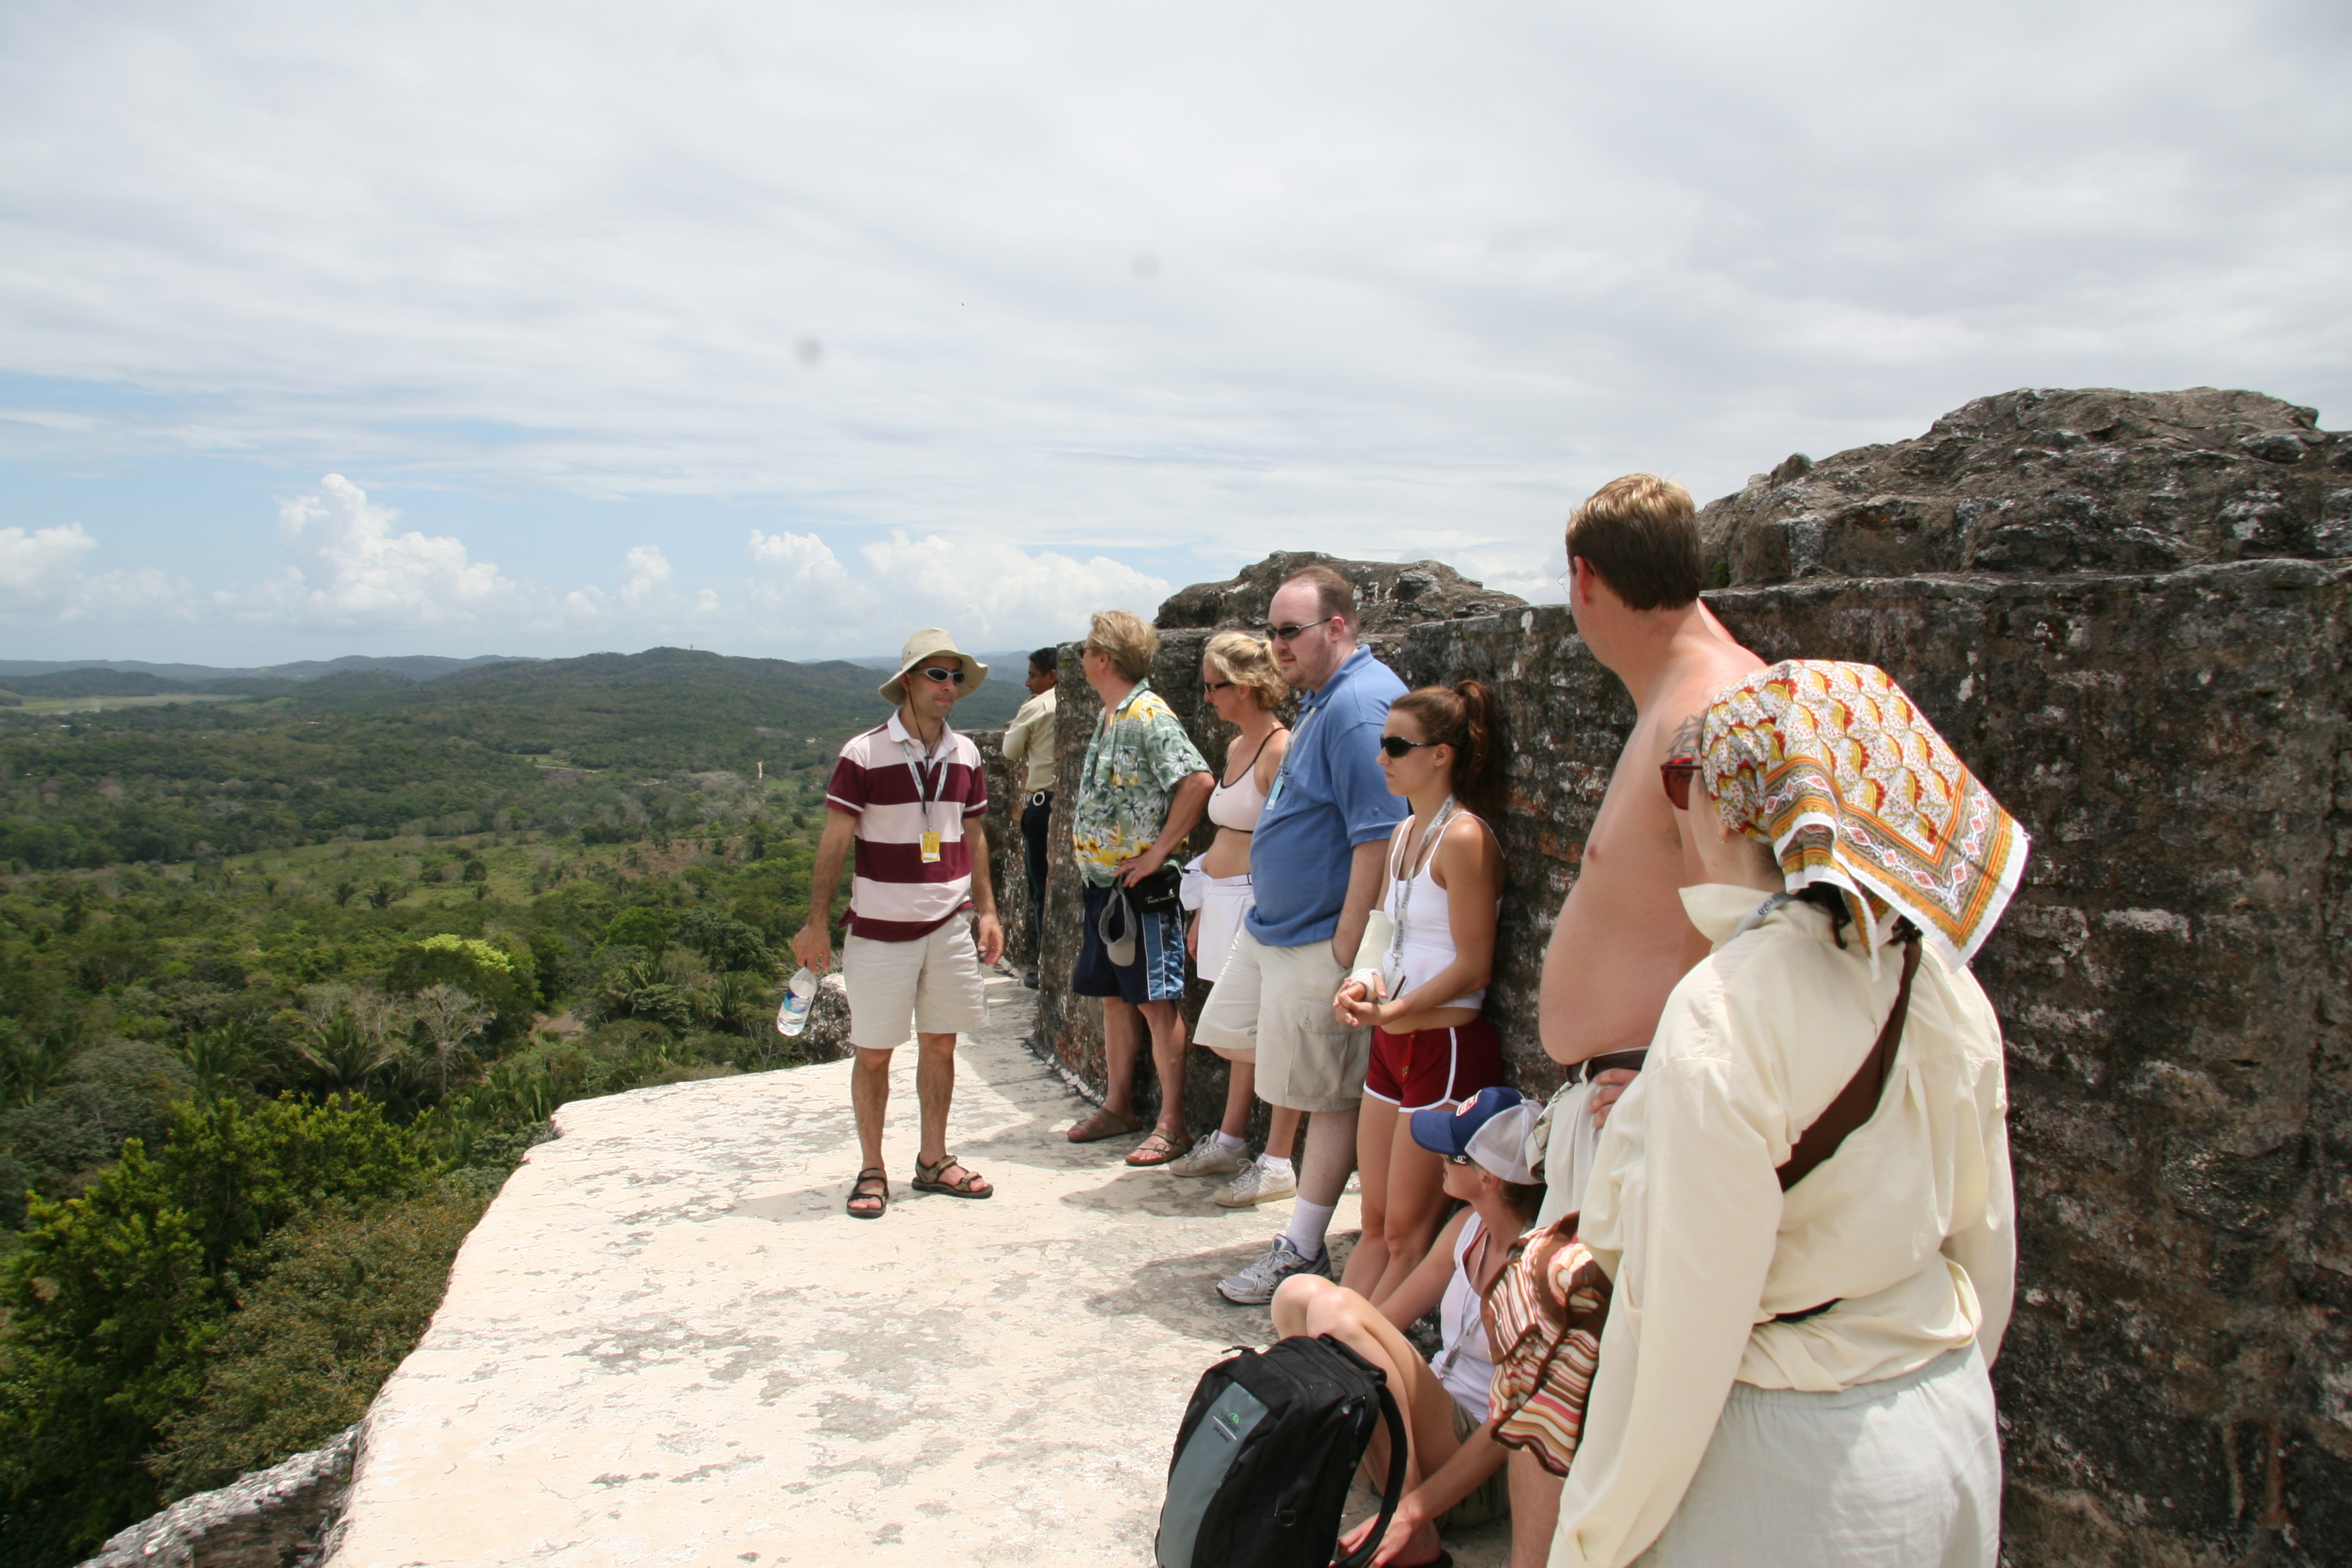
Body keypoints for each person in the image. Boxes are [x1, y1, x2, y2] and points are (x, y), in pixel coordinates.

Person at [1549, 660, 2024, 1567]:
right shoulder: (1937, 977)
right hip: (1944, 1416)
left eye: (1685, 782)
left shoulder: (1727, 1008)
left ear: (1729, 809)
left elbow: (1686, 1329)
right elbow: (1984, 1239)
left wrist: (1596, 1536)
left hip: (1783, 1467)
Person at [1530, 475, 1765, 1231]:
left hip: (1640, 1109)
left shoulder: (1705, 709)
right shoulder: (1688, 696)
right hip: (1624, 1097)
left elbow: (1742, 925)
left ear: (1585, 576)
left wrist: (1670, 1086)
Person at [1199, 565, 1409, 1304]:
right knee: (1229, 1034)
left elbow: (1379, 835)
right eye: (1273, 631)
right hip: (1275, 928)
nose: (1278, 645)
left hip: (1321, 936)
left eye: (1291, 630)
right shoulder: (1325, 700)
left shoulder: (1355, 710)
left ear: (1339, 627)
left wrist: (1349, 951)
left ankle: (1303, 1243)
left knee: (1328, 1094)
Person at [1271, 1087, 1545, 1568]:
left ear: (1488, 1177)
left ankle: (1410, 1525)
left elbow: (1511, 1426)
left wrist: (1411, 1513)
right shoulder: (1468, 1227)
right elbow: (1386, 1319)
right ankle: (1339, 1454)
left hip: (1476, 1468)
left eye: (1453, 1154)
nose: (1438, 1156)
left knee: (1336, 1313)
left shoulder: (1536, 1272)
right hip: (1423, 1428)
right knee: (1300, 1296)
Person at [791, 628, 1003, 1219]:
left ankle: (933, 1159)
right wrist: (816, 925)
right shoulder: (863, 755)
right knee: (875, 1052)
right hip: (880, 927)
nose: (950, 687)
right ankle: (872, 1167)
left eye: (957, 676)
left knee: (941, 1044)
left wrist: (986, 910)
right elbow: (835, 843)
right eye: (938, 675)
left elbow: (975, 834)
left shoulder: (966, 755)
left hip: (948, 924)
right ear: (907, 682)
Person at [1332, 681, 1506, 1306]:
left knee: (1408, 1230)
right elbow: (1383, 929)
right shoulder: (1406, 833)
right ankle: (1325, 1355)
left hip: (1443, 1043)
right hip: (1392, 1043)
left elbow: (1475, 965)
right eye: (1384, 745)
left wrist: (1398, 1008)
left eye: (1397, 746)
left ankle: (1363, 1362)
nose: (1383, 758)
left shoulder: (1464, 838)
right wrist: (1361, 982)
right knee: (1373, 1221)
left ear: (1442, 754)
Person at [1063, 609, 1216, 1165]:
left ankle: (1171, 1124)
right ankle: (1120, 1105)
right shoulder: (1114, 715)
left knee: (1155, 1000)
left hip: (1138, 889)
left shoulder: (1147, 714)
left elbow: (1198, 781)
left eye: (1087, 648)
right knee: (1115, 997)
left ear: (1103, 658)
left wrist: (1157, 852)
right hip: (1105, 885)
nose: (1081, 656)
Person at [1163, 630, 1304, 1206]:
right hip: (1222, 900)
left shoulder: (1278, 750)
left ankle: (1277, 1158)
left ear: (1244, 688)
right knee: (1241, 1027)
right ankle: (1232, 1137)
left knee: (1262, 1032)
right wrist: (1201, 916)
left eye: (1214, 687)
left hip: (1256, 902)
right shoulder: (1235, 748)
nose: (1208, 698)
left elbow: (1289, 843)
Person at [999, 646, 1060, 986]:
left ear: (1051, 675)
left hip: (1043, 803)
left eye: (1034, 675)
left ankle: (1044, 965)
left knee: (1042, 889)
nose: (1027, 682)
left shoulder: (1036, 707)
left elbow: (1010, 751)